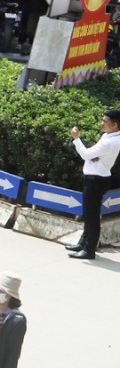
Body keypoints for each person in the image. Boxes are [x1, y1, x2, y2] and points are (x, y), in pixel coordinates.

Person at [69, 109, 120, 260]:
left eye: (105, 122)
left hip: (96, 180)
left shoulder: (110, 141)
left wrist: (77, 139)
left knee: (92, 216)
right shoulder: (109, 136)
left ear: (115, 125)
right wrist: (93, 155)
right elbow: (92, 154)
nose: (101, 124)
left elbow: (86, 154)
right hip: (96, 177)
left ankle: (89, 250)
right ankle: (83, 243)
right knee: (88, 213)